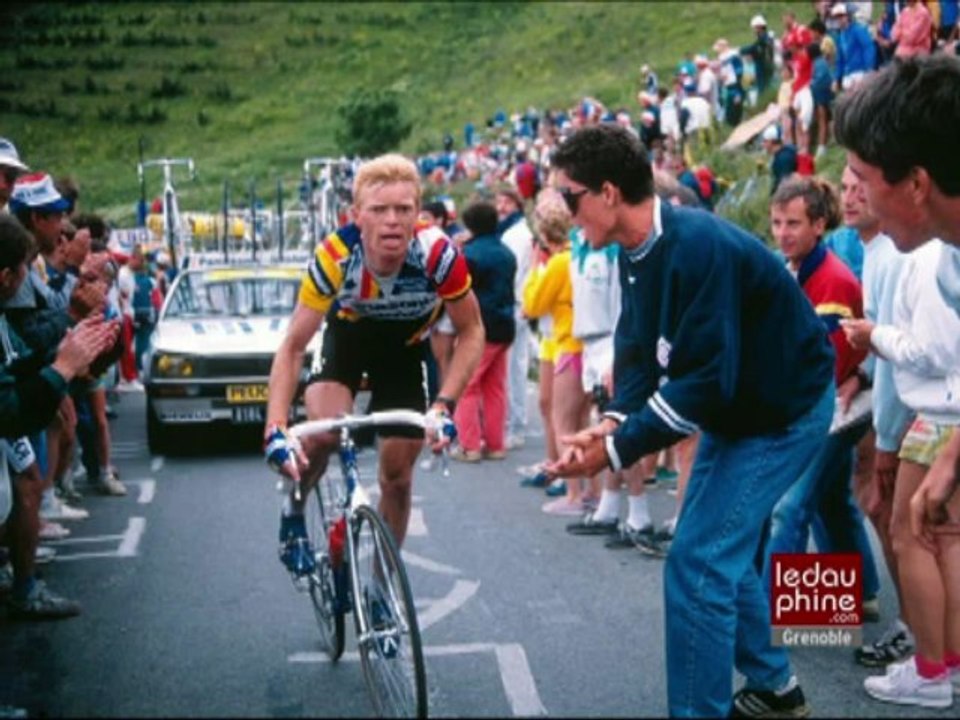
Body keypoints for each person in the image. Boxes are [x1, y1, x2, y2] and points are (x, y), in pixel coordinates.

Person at [546, 124, 834, 717]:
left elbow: (703, 383)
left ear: (606, 192)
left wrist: (617, 449)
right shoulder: (638, 247)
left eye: (568, 198)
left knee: (699, 561)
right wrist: (612, 424)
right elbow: (636, 350)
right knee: (714, 551)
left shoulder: (697, 243)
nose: (563, 213)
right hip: (748, 407)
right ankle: (776, 687)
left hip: (784, 411)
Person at [264, 153, 484, 576]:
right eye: (379, 210)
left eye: (403, 209)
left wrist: (444, 405)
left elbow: (473, 331)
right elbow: (292, 346)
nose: (392, 221)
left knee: (398, 478)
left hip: (405, 346)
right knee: (323, 434)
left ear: (417, 215)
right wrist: (275, 428)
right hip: (349, 336)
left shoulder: (437, 254)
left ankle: (384, 589)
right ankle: (294, 514)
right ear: (357, 216)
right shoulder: (335, 256)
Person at [834, 52, 960, 705]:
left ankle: (934, 669)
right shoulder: (947, 265)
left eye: (860, 176)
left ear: (914, 182)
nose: (852, 194)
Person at [449, 201, 516, 462]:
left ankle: (470, 445)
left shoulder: (469, 254)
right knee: (495, 386)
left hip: (480, 326)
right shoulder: (507, 252)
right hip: (505, 324)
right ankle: (496, 444)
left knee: (467, 385)